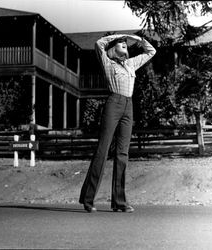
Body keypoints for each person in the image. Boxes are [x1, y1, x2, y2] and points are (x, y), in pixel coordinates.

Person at [79, 33, 156, 213]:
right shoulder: (108, 63)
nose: (125, 45)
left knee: (123, 153)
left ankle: (119, 202)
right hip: (113, 103)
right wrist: (121, 35)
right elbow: (99, 43)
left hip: (128, 106)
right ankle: (88, 200)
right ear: (113, 48)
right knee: (103, 150)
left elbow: (151, 51)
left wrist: (137, 39)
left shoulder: (130, 64)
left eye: (126, 44)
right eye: (121, 44)